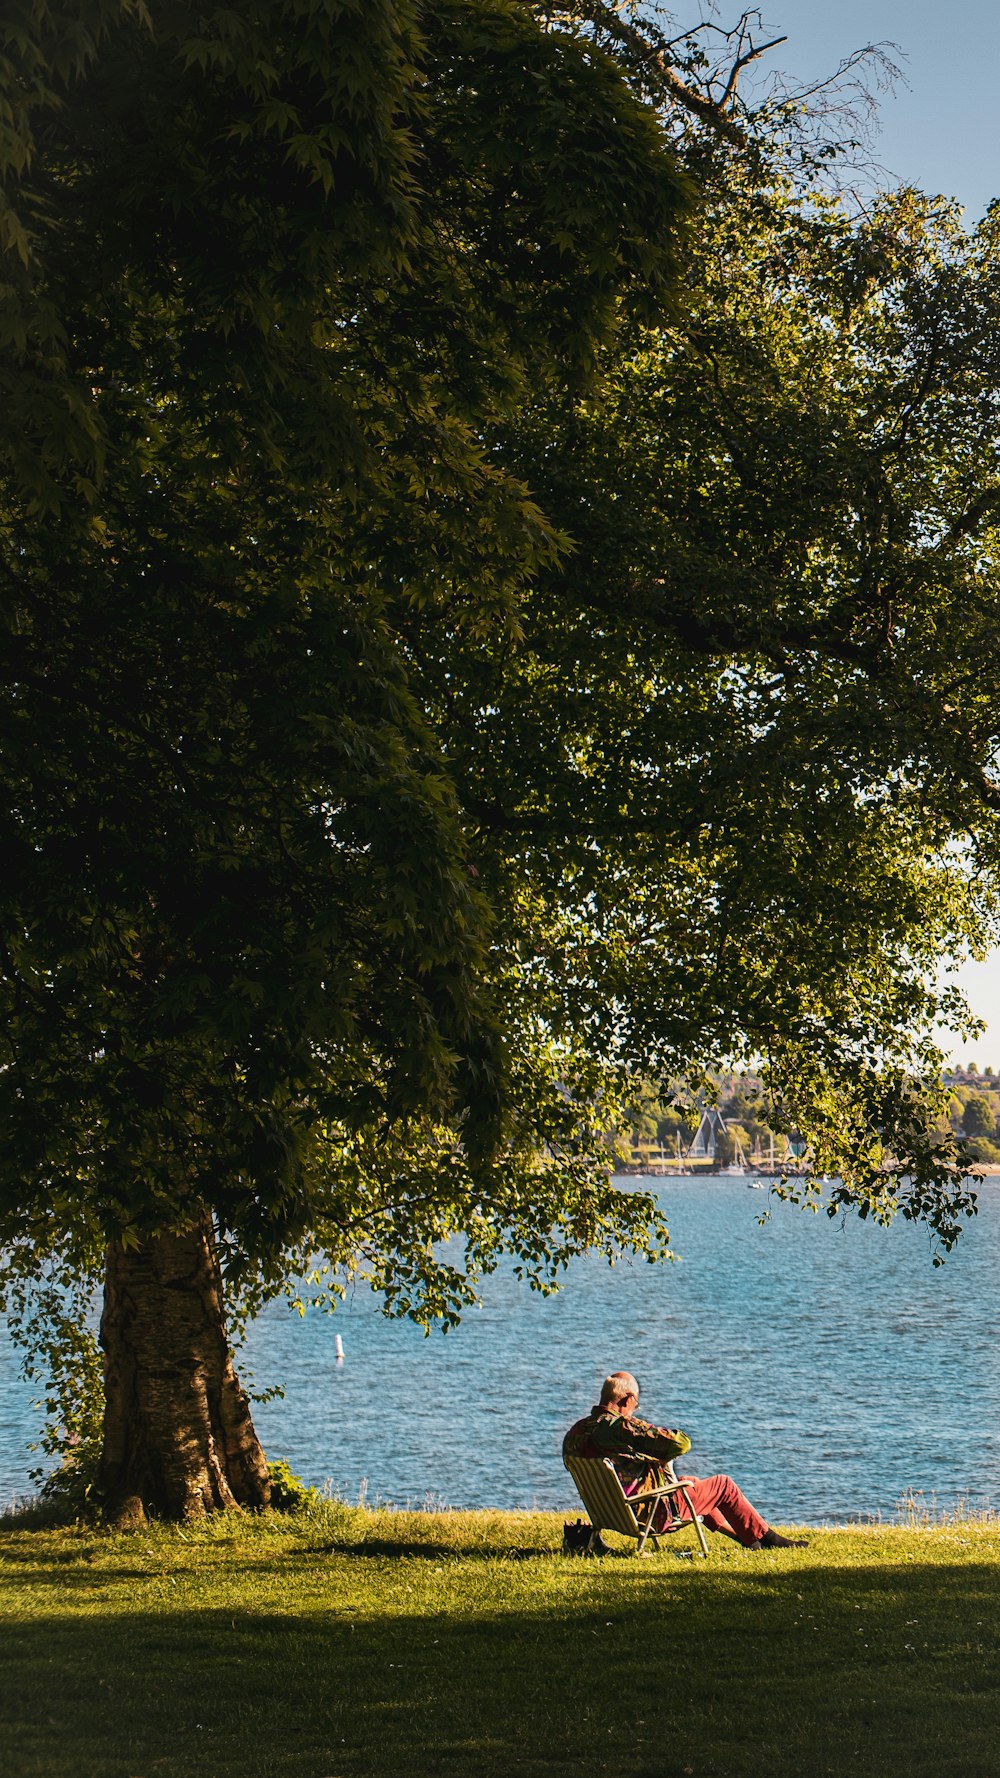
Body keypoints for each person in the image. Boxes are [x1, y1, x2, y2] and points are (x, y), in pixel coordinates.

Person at [563, 1370, 807, 1550]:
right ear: (626, 1400)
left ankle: (750, 1541)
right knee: (723, 1485)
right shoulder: (619, 1427)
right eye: (634, 1405)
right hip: (652, 1513)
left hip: (614, 1510)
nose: (634, 1410)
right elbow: (681, 1442)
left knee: (691, 1483)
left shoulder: (577, 1431)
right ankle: (771, 1541)